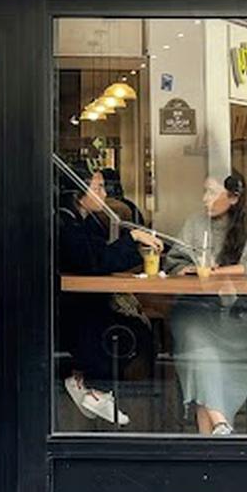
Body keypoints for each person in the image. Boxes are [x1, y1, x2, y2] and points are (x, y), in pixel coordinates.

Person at [164, 170, 247, 435]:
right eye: (204, 191)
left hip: (237, 311)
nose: (205, 198)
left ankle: (211, 439)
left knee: (206, 360)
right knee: (198, 347)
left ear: (234, 197)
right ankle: (220, 424)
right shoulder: (195, 222)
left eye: (212, 192)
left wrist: (221, 272)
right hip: (194, 308)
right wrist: (187, 270)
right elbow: (173, 261)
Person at [57, 166, 162, 425]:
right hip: (71, 308)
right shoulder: (65, 223)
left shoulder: (82, 220)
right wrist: (133, 238)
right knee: (131, 332)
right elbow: (94, 260)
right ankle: (96, 388)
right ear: (78, 194)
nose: (104, 194)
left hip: (83, 303)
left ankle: (89, 385)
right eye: (98, 188)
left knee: (136, 328)